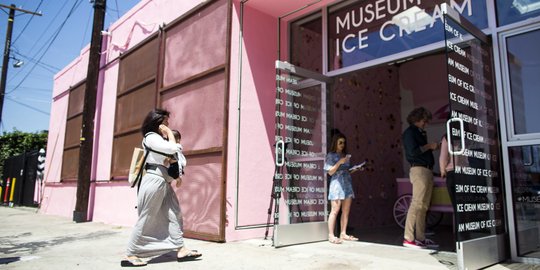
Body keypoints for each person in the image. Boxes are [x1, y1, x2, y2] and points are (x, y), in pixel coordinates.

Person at [121, 109, 201, 267]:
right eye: (165, 122)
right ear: (157, 122)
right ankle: (130, 253)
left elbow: (180, 160)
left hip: (164, 182)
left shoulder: (159, 140)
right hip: (154, 181)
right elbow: (173, 149)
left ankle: (180, 248)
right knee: (148, 216)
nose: (168, 125)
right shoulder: (150, 137)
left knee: (174, 213)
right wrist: (171, 135)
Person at [401, 107, 440, 249]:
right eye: (424, 121)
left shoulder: (418, 132)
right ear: (417, 119)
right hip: (419, 170)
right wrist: (429, 146)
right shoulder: (409, 133)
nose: (426, 124)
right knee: (417, 204)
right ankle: (408, 238)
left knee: (423, 207)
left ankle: (420, 238)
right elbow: (413, 152)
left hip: (426, 170)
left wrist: (430, 147)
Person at [324, 133, 363, 244]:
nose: (342, 144)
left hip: (347, 184)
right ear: (335, 143)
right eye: (340, 142)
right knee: (335, 210)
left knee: (346, 211)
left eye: (344, 142)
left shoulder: (345, 155)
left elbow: (347, 170)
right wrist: (339, 162)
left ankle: (343, 233)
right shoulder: (331, 155)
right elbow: (330, 172)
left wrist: (357, 168)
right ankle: (331, 235)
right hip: (336, 184)